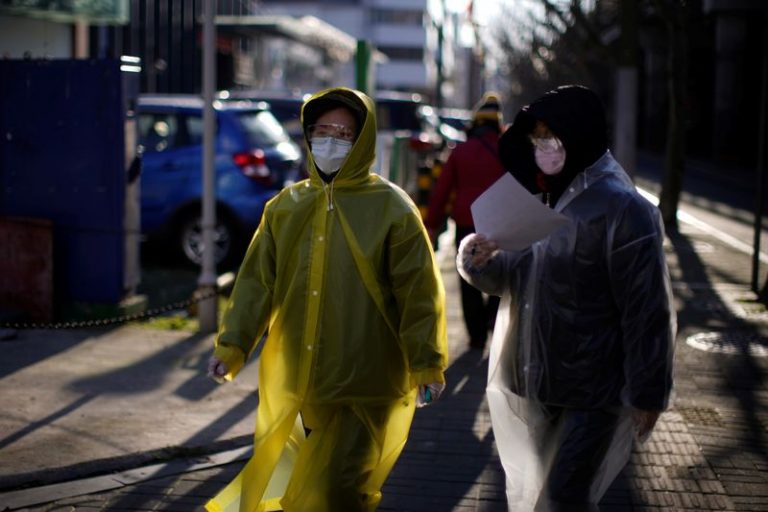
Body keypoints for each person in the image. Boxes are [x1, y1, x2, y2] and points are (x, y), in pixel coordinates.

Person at [204, 87, 449, 512]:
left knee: (339, 492)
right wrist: (233, 345)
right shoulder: (286, 206)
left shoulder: (393, 210)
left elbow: (419, 295)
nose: (330, 141)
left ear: (364, 141)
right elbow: (256, 283)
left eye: (344, 133)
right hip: (300, 382)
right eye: (322, 130)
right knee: (297, 488)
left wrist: (427, 362)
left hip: (366, 383)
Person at [457, 85, 676, 511]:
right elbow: (515, 277)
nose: (544, 147)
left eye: (551, 135)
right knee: (540, 490)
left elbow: (647, 309)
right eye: (536, 138)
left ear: (579, 134)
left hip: (595, 390)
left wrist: (648, 392)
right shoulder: (541, 197)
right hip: (534, 378)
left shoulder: (625, 210)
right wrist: (478, 259)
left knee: (565, 494)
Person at [425, 92, 506, 350]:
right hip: (500, 225)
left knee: (468, 279)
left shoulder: (461, 151)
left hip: (467, 224)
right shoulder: (508, 150)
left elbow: (442, 190)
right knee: (501, 274)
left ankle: (476, 337)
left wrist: (431, 222)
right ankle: (493, 317)